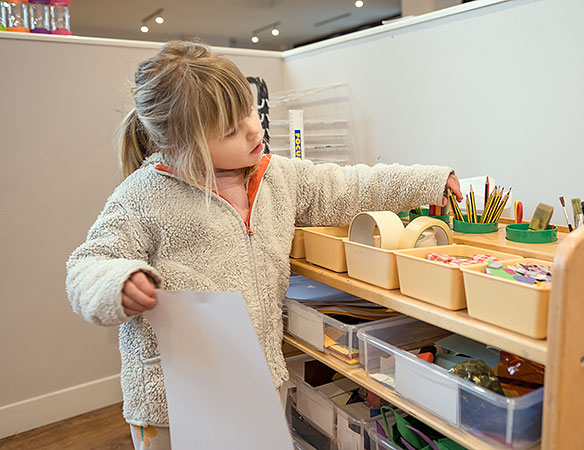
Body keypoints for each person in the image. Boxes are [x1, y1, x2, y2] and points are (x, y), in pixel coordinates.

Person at [66, 40, 462, 450]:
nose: (254, 128)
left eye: (250, 111)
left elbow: (352, 185)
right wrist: (119, 281)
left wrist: (428, 180)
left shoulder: (277, 177)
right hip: (175, 403)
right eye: (231, 129)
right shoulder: (142, 197)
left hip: (258, 382)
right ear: (182, 143)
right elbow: (88, 264)